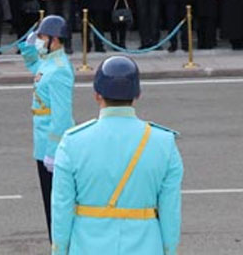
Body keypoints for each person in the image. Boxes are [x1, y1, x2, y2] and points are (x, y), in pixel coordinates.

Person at [51, 56, 183, 255]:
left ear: (97, 94)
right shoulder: (163, 142)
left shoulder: (72, 142)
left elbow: (61, 208)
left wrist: (59, 251)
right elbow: (170, 211)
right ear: (137, 94)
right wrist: (169, 250)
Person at [17, 15, 75, 241]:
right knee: (49, 205)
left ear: (55, 39)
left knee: (56, 208)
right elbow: (34, 67)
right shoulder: (48, 59)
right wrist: (29, 46)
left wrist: (53, 151)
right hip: (41, 142)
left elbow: (61, 117)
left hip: (51, 147)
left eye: (42, 36)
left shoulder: (59, 68)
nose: (39, 40)